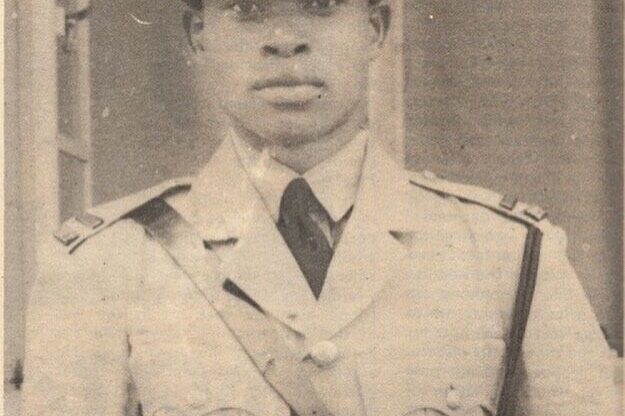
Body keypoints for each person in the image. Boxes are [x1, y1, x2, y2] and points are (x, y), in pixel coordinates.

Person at [22, 0, 618, 415]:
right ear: (198, 33)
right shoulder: (102, 266)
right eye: (247, 9)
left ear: (375, 29)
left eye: (321, 4)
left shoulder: (508, 255)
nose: (285, 39)